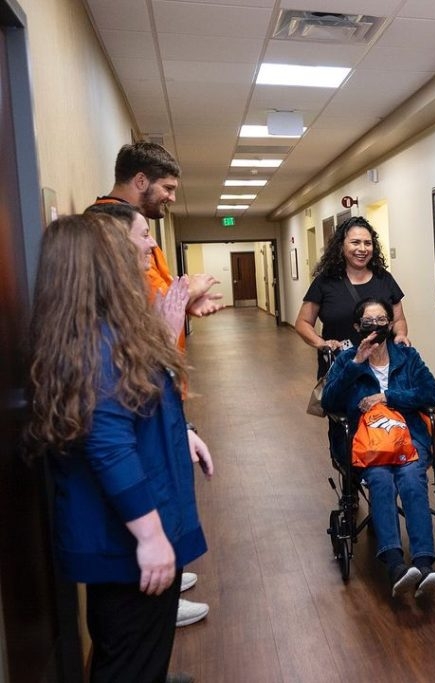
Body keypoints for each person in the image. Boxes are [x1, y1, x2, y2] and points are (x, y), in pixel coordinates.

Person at [25, 213, 212, 682]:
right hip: (126, 541)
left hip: (124, 534)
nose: (143, 254)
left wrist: (179, 433)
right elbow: (108, 445)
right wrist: (151, 539)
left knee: (134, 654)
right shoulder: (99, 343)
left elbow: (133, 409)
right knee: (130, 660)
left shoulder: (92, 335)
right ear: (100, 265)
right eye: (129, 247)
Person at [320, 297, 435, 598]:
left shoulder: (406, 356)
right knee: (379, 479)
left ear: (390, 324)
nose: (375, 326)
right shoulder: (346, 359)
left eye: (381, 321)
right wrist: (356, 364)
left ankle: (424, 564)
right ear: (356, 326)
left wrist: (388, 396)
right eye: (368, 321)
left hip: (408, 436)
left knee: (413, 477)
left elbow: (431, 393)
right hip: (369, 442)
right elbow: (329, 402)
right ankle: (394, 564)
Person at [92, 141, 222, 321]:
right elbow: (143, 304)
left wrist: (184, 302)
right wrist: (191, 289)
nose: (172, 198)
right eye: (168, 188)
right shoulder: (111, 224)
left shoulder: (132, 222)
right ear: (141, 181)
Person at [295, 216, 409, 380]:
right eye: (355, 242)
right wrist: (321, 343)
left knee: (381, 406)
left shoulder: (384, 279)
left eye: (367, 243)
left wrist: (400, 335)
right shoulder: (325, 281)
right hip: (341, 368)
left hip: (382, 369)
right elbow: (302, 322)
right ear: (341, 245)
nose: (362, 249)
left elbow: (398, 320)